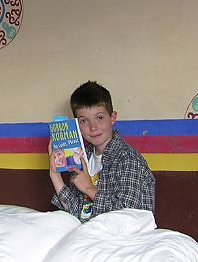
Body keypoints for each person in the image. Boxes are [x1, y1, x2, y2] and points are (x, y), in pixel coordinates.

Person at [48, 80, 155, 220]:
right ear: (76, 124)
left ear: (112, 118)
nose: (93, 127)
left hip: (125, 239)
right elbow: (77, 213)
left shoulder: (127, 158)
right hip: (92, 234)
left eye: (99, 118)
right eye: (84, 121)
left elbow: (127, 215)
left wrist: (88, 188)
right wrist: (54, 174)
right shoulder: (82, 156)